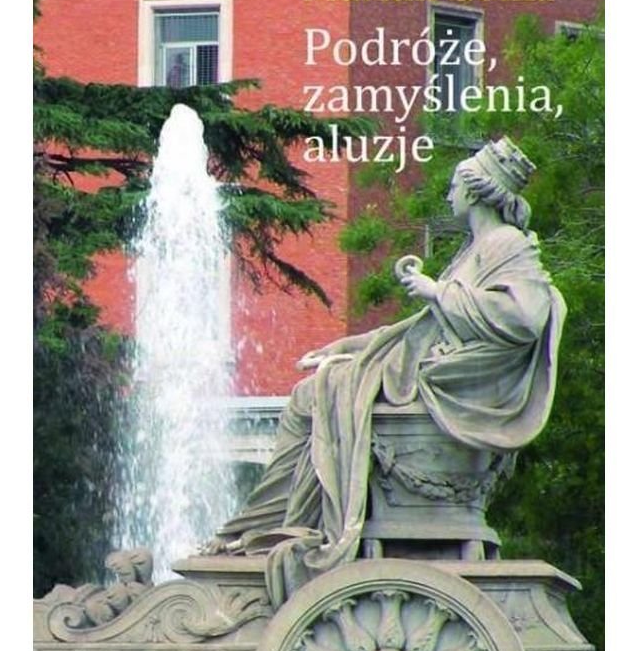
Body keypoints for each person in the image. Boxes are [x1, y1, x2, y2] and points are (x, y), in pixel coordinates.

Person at [207, 137, 565, 606]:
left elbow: (525, 317)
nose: (448, 195)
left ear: (475, 191)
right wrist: (347, 347)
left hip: (452, 385)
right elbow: (416, 330)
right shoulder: (478, 248)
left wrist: (437, 291)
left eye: (454, 186)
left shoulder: (507, 244)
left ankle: (267, 526)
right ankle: (266, 524)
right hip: (429, 371)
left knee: (314, 396)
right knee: (319, 389)